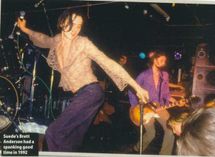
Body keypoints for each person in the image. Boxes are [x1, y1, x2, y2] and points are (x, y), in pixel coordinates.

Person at [17, 9, 149, 152]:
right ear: (62, 22)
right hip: (82, 96)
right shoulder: (57, 41)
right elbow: (43, 39)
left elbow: (108, 62)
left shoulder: (83, 43)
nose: (75, 29)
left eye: (79, 26)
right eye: (72, 24)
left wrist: (137, 86)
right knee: (70, 142)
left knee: (53, 133)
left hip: (91, 92)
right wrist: (24, 28)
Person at [128, 50, 177, 155]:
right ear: (154, 60)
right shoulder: (144, 75)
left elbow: (165, 92)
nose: (164, 62)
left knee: (171, 128)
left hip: (159, 106)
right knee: (151, 133)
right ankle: (136, 149)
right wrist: (134, 106)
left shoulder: (165, 75)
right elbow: (132, 89)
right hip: (146, 107)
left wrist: (172, 99)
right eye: (161, 59)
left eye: (165, 60)